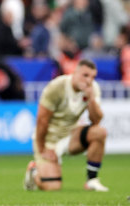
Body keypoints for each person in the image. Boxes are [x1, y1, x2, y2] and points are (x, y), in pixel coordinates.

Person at [24, 59, 109, 192]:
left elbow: (96, 121)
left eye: (92, 77)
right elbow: (42, 120)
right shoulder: (57, 87)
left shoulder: (93, 89)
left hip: (70, 136)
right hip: (49, 140)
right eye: (85, 75)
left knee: (99, 132)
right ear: (74, 72)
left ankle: (91, 180)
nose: (89, 80)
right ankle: (34, 171)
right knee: (52, 187)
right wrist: (43, 149)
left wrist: (91, 99)